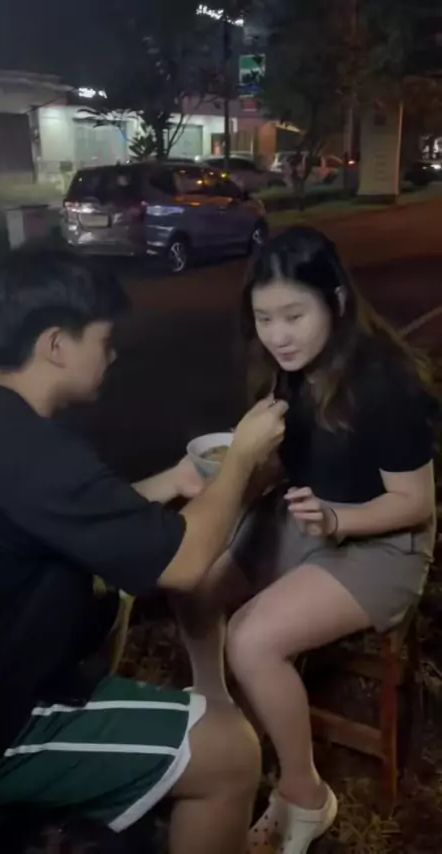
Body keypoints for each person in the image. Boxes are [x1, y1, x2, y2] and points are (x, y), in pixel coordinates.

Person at [0, 248, 287, 854]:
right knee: (230, 752)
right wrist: (242, 458)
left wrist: (172, 482)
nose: (113, 356)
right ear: (56, 345)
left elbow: (58, 519)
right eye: (104, 341)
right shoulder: (31, 451)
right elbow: (185, 564)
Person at [177, 227, 438, 854]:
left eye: (294, 315)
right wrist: (239, 468)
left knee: (252, 640)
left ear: (337, 302)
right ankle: (217, 713)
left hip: (381, 541)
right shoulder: (288, 370)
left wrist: (337, 521)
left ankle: (305, 794)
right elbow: (293, 459)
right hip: (305, 514)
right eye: (264, 318)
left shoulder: (385, 383)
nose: (278, 335)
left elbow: (415, 503)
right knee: (194, 580)